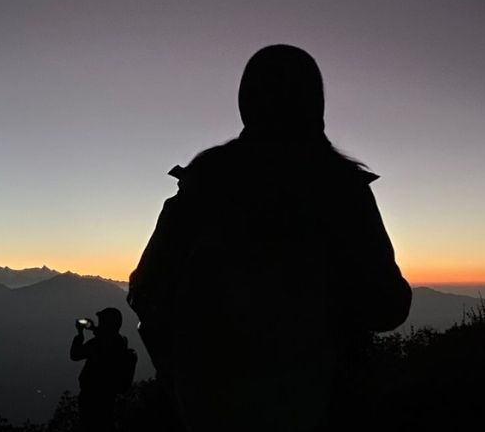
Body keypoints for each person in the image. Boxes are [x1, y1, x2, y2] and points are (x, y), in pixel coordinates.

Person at [127, 44, 412, 431]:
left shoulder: (206, 182)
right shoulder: (340, 188)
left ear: (247, 100)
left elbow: (146, 289)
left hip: (212, 407)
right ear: (315, 103)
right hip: (323, 405)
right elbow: (387, 307)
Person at [70, 307, 135, 432]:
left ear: (107, 324)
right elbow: (109, 336)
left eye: (102, 321)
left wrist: (80, 334)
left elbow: (75, 355)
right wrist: (93, 328)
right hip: (108, 397)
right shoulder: (121, 341)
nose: (99, 323)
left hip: (92, 397)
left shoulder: (98, 344)